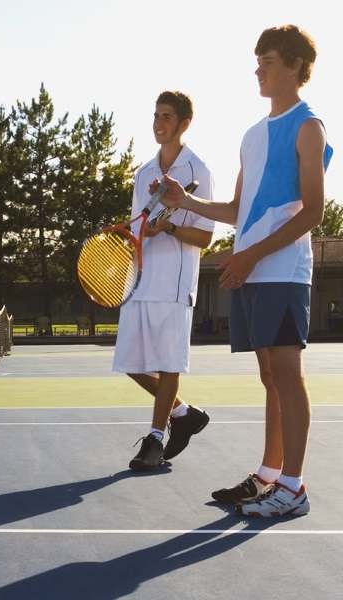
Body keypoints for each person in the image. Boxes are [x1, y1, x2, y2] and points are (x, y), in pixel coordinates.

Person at [160, 25, 332, 516]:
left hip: (282, 270)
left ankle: (293, 488)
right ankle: (269, 475)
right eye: (258, 60)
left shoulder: (308, 125)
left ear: (297, 66)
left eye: (270, 60)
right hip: (254, 270)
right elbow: (240, 208)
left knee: (286, 374)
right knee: (269, 378)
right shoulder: (253, 135)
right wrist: (186, 200)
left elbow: (313, 211)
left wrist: (251, 255)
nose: (259, 68)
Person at [113, 91, 215, 471]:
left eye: (167, 116)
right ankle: (184, 414)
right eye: (156, 115)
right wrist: (133, 233)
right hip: (139, 281)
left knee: (168, 363)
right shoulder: (142, 174)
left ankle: (155, 440)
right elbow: (140, 227)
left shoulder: (198, 171)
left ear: (185, 123)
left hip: (174, 285)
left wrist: (168, 227)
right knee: (130, 362)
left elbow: (205, 238)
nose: (159, 122)